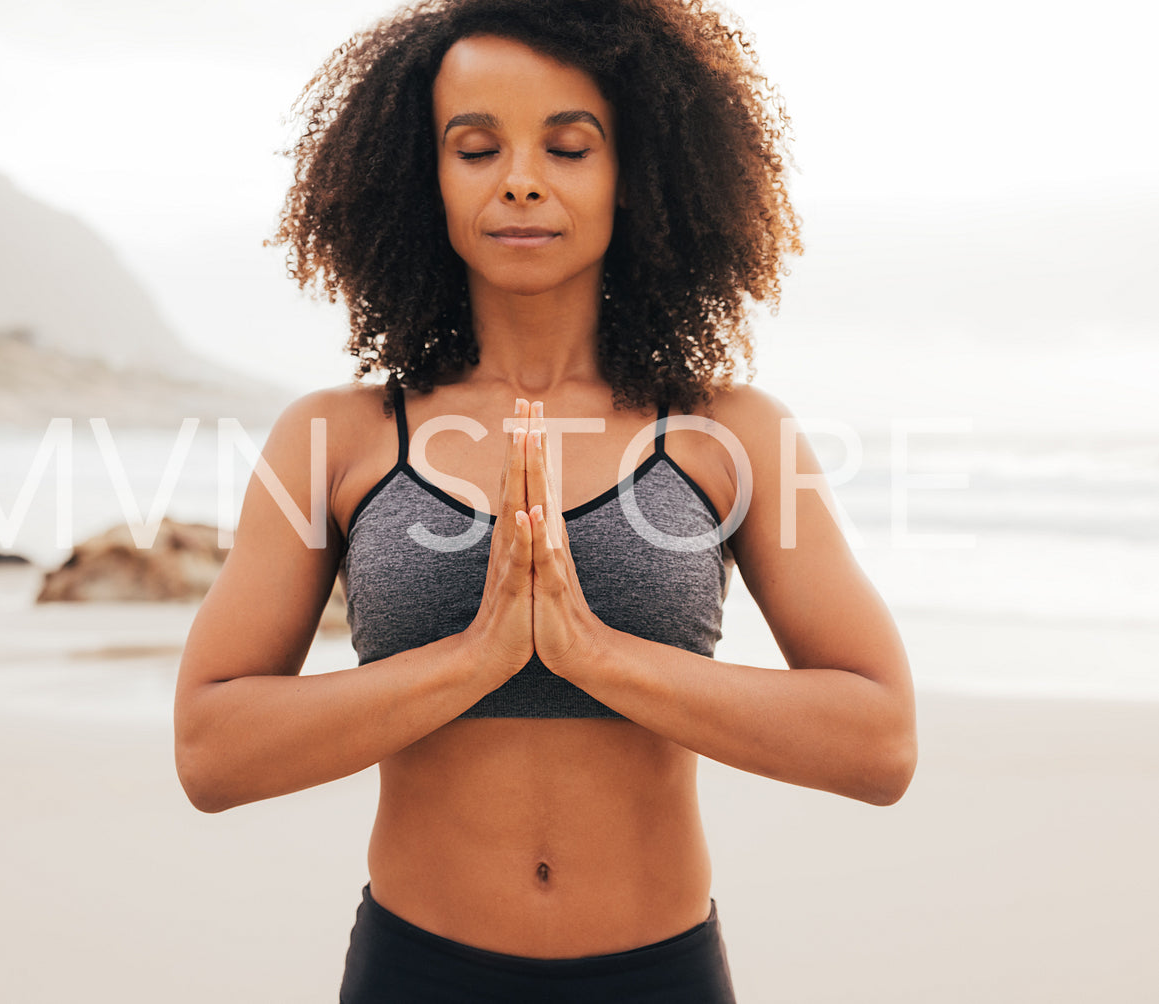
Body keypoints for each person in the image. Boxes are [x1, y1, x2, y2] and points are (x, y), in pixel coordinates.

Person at [174, 1, 917, 1000]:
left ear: (636, 174)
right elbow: (211, 749)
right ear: (422, 176)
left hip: (657, 974)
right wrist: (472, 658)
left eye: (567, 147)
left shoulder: (726, 433)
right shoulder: (336, 437)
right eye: (475, 148)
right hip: (415, 969)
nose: (520, 178)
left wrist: (594, 654)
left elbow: (877, 739)